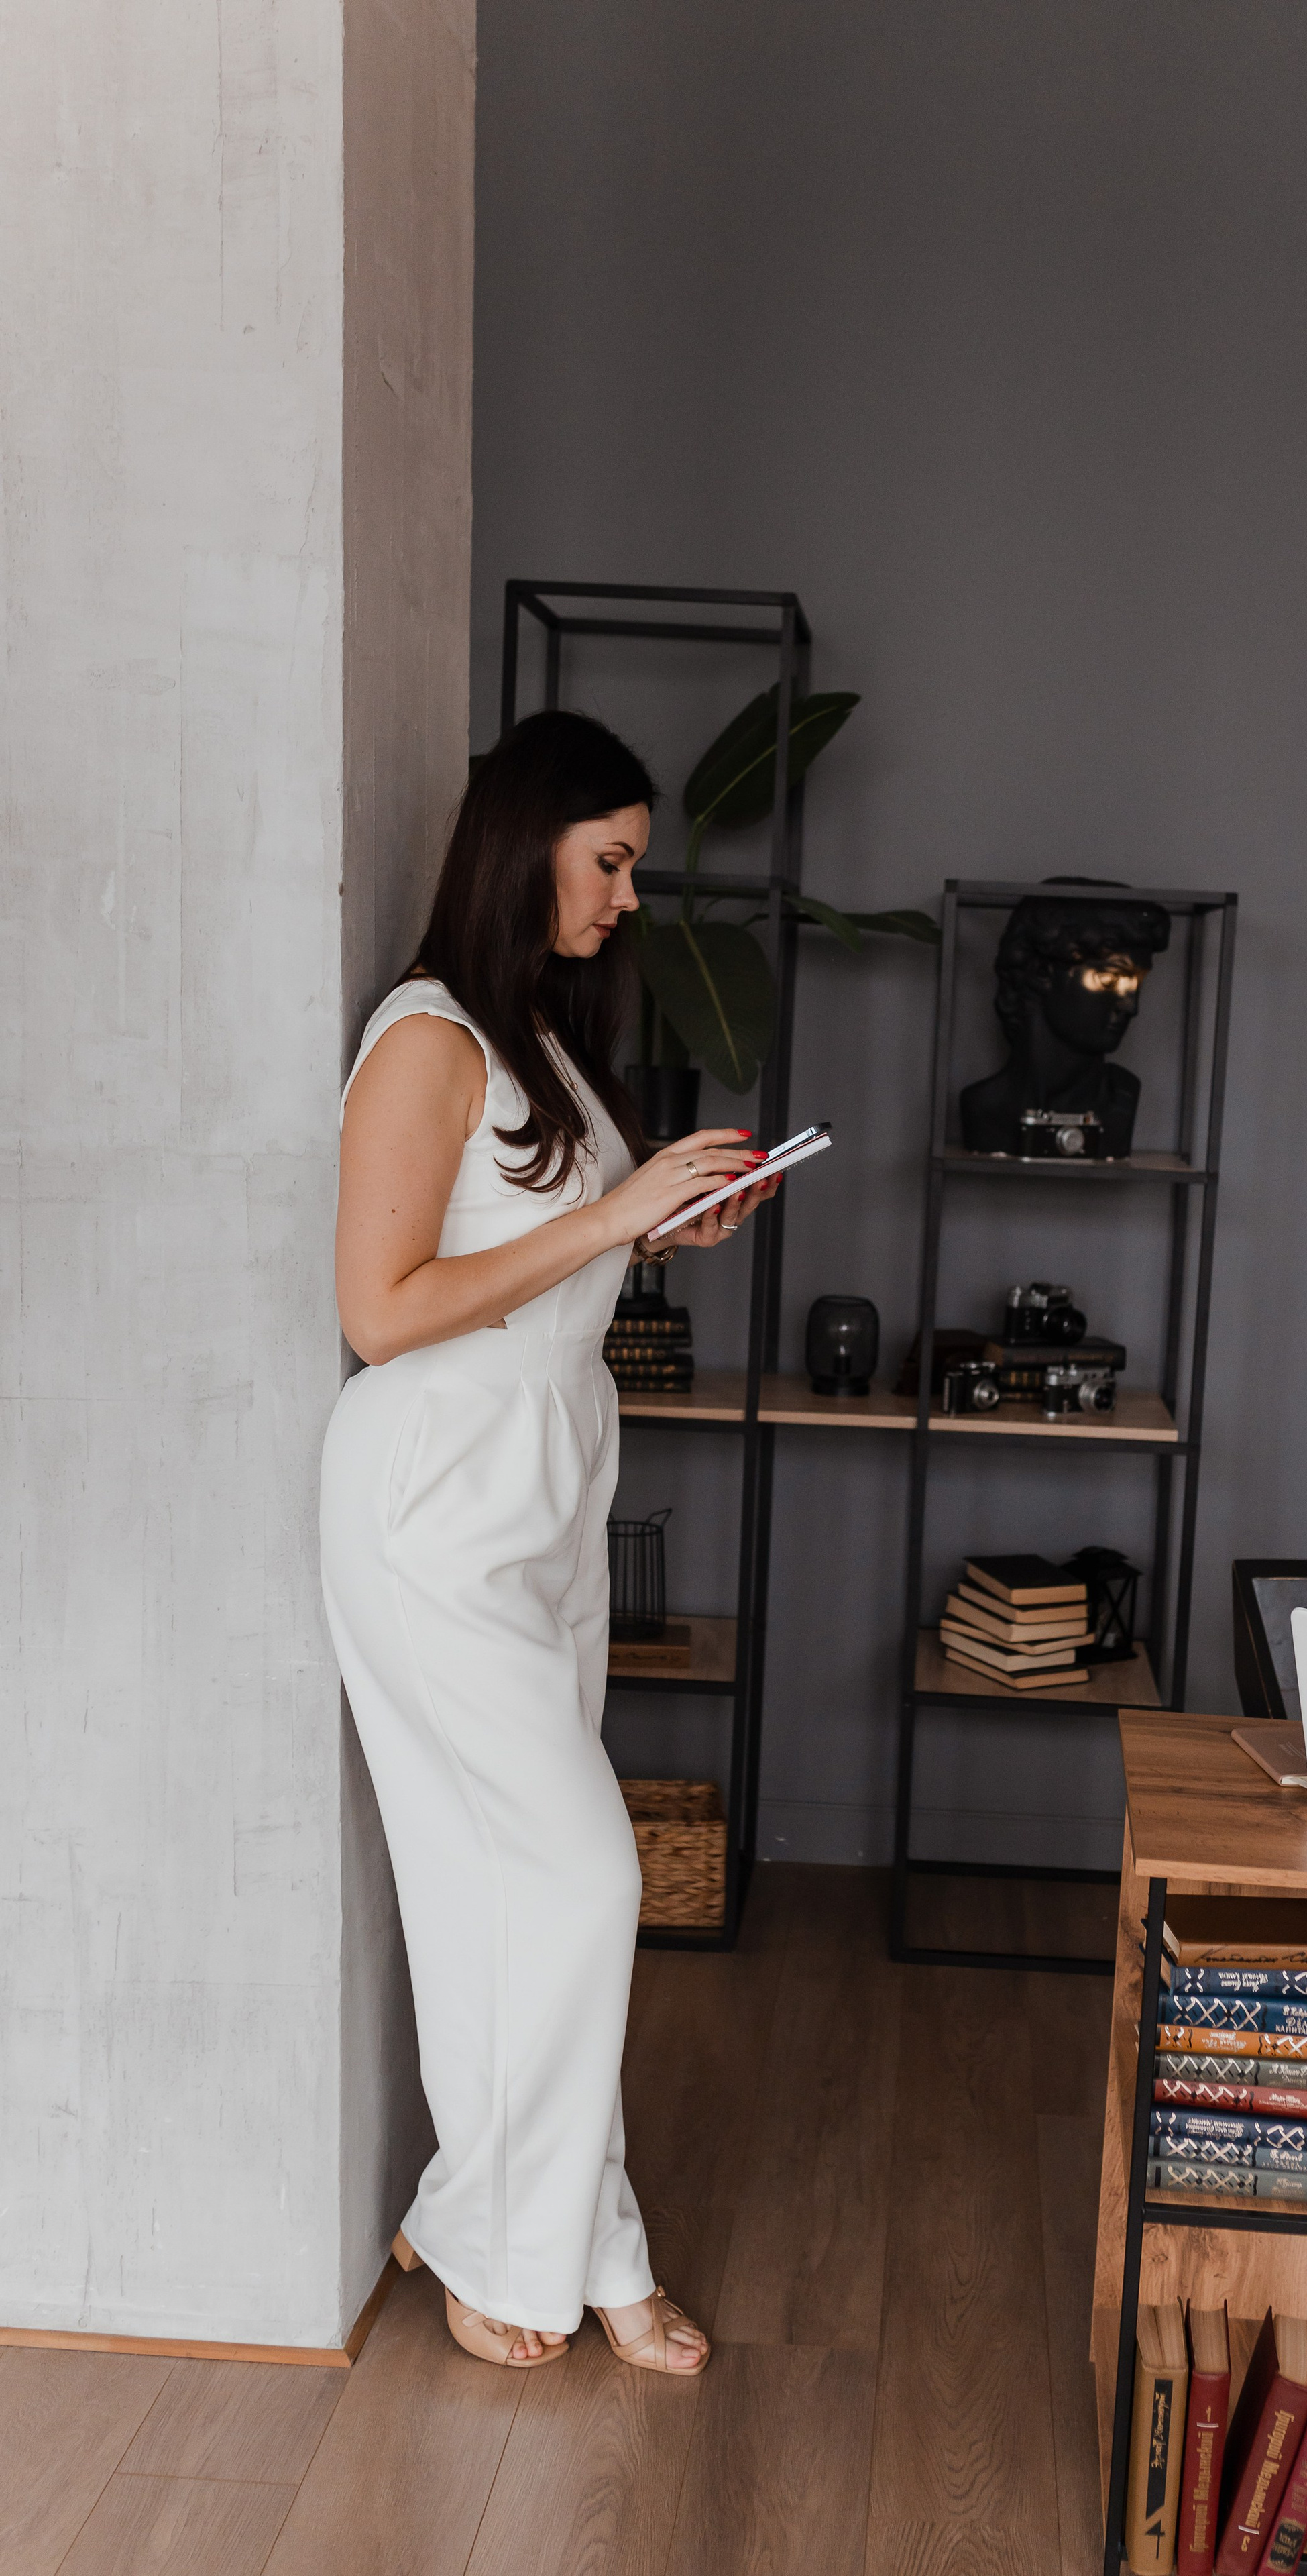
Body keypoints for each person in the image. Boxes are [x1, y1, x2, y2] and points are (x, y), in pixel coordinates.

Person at [321, 711, 778, 2373]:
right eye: (610, 859)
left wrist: (668, 1227)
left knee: (513, 1893)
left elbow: (543, 1268)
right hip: (431, 1504)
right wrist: (610, 1209)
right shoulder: (427, 1038)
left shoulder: (538, 1038)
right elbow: (381, 1314)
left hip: (544, 1490)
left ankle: (567, 2238)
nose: (628, 896)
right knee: (580, 1879)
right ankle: (511, 2230)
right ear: (528, 846)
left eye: (634, 862)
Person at [957, 882, 1171, 1157]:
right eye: (1109, 979)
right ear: (1043, 973)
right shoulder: (984, 1104)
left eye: (1137, 985)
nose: (1131, 1007)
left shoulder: (1122, 1097)